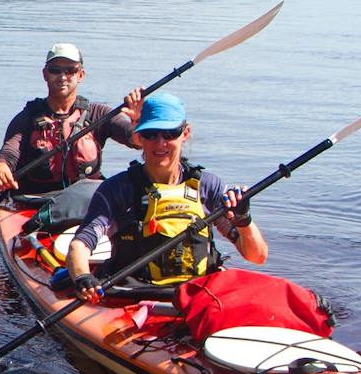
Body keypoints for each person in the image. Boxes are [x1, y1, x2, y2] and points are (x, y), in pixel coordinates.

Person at [66, 92, 267, 301]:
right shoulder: (116, 190)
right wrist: (82, 276)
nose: (160, 143)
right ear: (138, 137)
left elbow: (257, 256)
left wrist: (244, 220)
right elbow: (79, 246)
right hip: (134, 296)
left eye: (170, 133)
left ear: (185, 133)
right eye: (151, 133)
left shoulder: (207, 186)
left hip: (199, 297)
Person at [0, 43, 145, 196]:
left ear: (81, 75)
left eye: (71, 70)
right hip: (35, 201)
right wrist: (0, 170)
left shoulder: (98, 114)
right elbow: (7, 155)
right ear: (45, 74)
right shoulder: (26, 118)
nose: (63, 77)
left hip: (86, 202)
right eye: (55, 70)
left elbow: (136, 140)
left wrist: (137, 120)